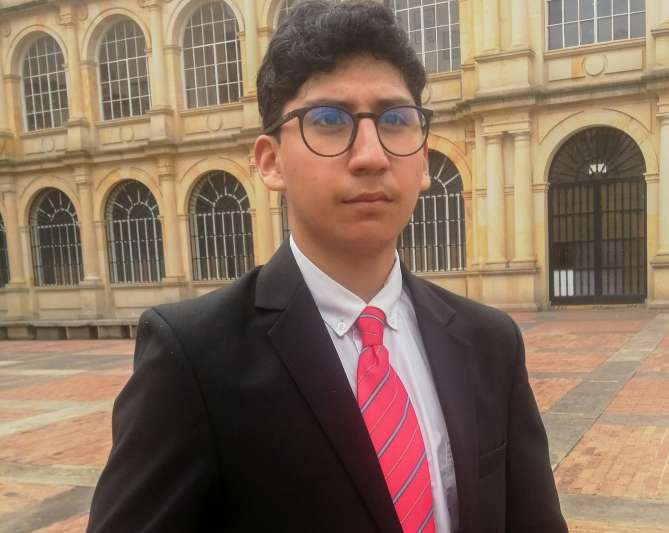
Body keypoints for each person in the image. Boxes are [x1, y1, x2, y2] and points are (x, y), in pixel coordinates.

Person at [86, 1, 567, 531]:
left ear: (424, 160)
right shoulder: (193, 359)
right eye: (330, 121)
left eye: (395, 120)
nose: (371, 155)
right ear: (270, 161)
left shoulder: (490, 342)